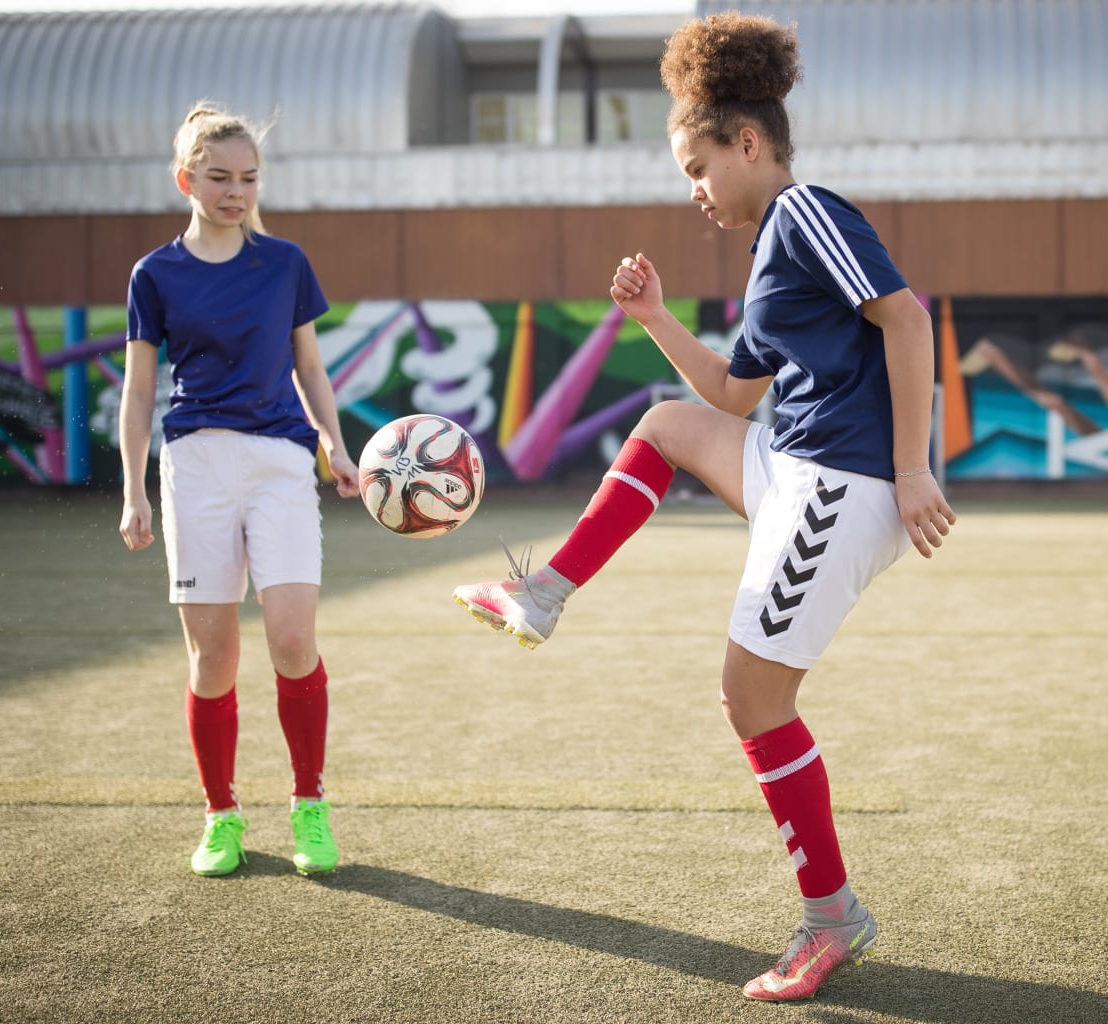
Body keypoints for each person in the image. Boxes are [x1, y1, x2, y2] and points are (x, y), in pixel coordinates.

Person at [452, 13, 956, 1002]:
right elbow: (732, 396)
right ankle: (545, 592)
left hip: (842, 488)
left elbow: (905, 316)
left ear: (749, 142)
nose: (694, 189)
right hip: (791, 464)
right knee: (668, 422)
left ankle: (832, 919)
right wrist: (651, 319)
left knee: (752, 700)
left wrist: (912, 468)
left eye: (698, 165)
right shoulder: (773, 246)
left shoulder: (808, 211)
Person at [118, 102, 360, 878]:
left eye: (249, 178)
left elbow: (310, 367)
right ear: (185, 179)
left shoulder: (284, 262)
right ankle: (221, 815)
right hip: (196, 466)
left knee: (293, 641)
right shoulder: (154, 275)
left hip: (282, 462)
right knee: (214, 658)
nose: (236, 192)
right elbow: (137, 390)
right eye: (219, 178)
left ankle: (310, 804)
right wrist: (135, 490)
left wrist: (335, 442)